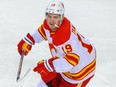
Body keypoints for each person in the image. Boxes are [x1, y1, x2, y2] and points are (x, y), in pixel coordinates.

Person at [17, 1, 96, 87]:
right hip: (66, 62)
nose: (51, 21)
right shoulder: (52, 25)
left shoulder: (65, 37)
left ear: (61, 18)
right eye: (49, 16)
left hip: (81, 70)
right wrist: (29, 40)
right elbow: (42, 32)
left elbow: (71, 62)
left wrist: (49, 65)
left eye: (55, 17)